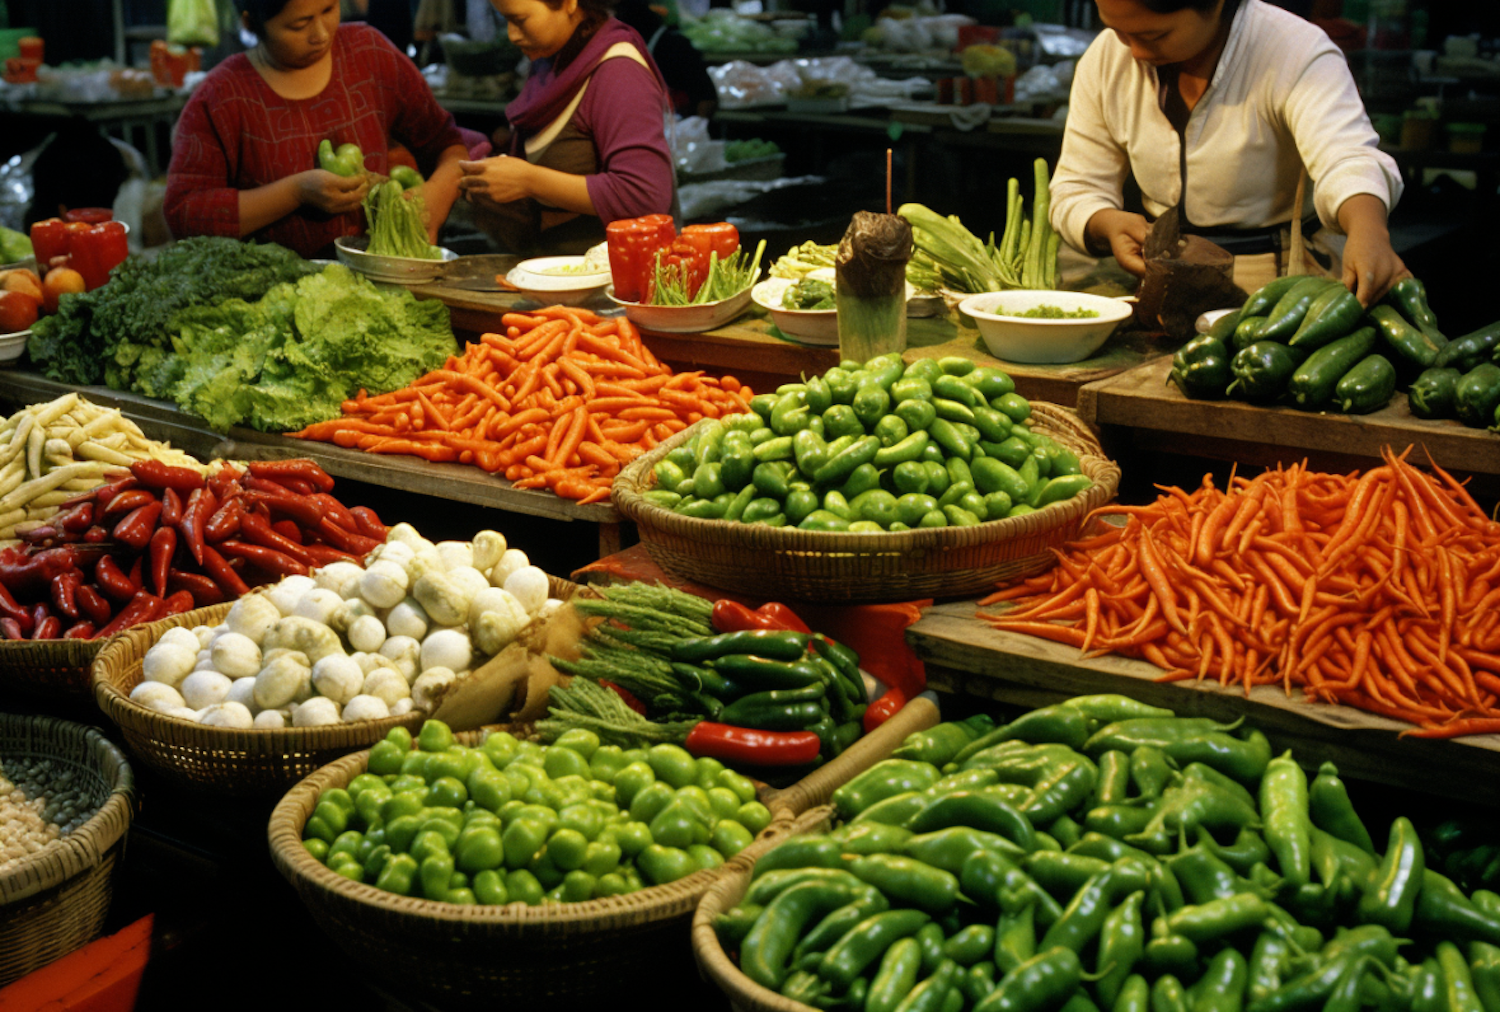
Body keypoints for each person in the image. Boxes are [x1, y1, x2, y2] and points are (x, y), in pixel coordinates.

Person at [1049, 0, 1407, 306]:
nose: (1135, 52)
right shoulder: (1108, 57)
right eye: (1117, 31)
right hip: (1162, 282)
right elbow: (1076, 187)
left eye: (1154, 35)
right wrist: (1103, 222)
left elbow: (1346, 156)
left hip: (1288, 286)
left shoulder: (1292, 50)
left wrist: (1368, 230)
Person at [164, 0, 469, 259]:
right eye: (299, 25)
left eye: (329, 8)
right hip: (272, 298)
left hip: (381, 284)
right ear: (251, 24)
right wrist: (295, 193)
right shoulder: (222, 96)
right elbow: (185, 212)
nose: (321, 34)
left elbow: (448, 144)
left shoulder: (370, 53)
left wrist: (436, 194)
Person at [456, 0, 677, 255]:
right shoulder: (551, 61)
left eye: (520, 20)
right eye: (505, 20)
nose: (512, 35)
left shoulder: (619, 73)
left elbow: (645, 196)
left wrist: (529, 181)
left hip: (610, 280)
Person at [611, 0, 718, 120]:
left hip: (681, 126)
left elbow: (708, 98)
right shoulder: (622, 55)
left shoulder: (677, 48)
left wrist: (696, 125)